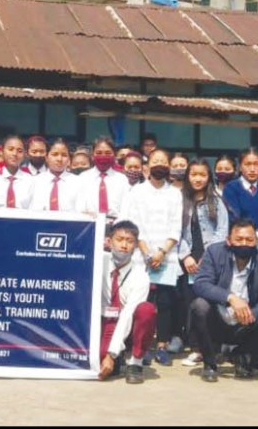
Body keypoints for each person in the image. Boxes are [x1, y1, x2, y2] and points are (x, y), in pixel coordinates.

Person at [189, 219, 258, 382]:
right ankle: (210, 364)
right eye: (239, 239)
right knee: (199, 305)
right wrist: (230, 298)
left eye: (249, 239)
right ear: (229, 240)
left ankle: (243, 357)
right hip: (218, 320)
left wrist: (252, 314)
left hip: (247, 326)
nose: (244, 244)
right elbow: (201, 284)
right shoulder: (214, 252)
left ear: (256, 241)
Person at [119, 148, 182, 367]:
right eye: (155, 161)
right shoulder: (136, 192)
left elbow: (176, 226)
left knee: (165, 302)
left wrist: (162, 252)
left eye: (164, 161)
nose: (160, 165)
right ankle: (141, 346)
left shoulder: (175, 193)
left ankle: (162, 346)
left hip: (167, 256)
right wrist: (147, 252)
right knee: (142, 302)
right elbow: (133, 223)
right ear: (147, 166)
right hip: (140, 255)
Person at [178, 158, 233, 367]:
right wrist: (185, 256)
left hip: (213, 260)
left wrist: (207, 256)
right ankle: (196, 349)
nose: (198, 179)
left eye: (202, 174)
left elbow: (222, 230)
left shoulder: (216, 200)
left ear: (209, 177)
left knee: (211, 305)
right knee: (191, 304)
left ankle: (215, 348)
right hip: (189, 260)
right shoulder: (181, 201)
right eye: (194, 174)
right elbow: (176, 232)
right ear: (187, 177)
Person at [98, 221, 157, 385]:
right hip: (105, 321)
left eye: (129, 241)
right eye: (119, 239)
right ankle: (116, 358)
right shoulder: (98, 262)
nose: (124, 245)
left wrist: (111, 354)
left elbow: (127, 314)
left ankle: (135, 362)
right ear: (109, 241)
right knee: (98, 360)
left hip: (128, 323)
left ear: (136, 246)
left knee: (147, 310)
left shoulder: (141, 275)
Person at [223, 149, 258, 250]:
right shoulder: (231, 188)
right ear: (240, 167)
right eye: (247, 164)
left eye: (256, 164)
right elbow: (234, 216)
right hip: (241, 243)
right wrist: (250, 236)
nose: (252, 169)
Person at [76, 136, 131, 225]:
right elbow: (79, 207)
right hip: (90, 225)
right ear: (92, 155)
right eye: (99, 152)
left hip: (116, 226)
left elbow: (126, 209)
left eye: (108, 153)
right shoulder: (83, 178)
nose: (103, 156)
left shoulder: (122, 180)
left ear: (114, 155)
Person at [0, 135, 34, 209]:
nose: (14, 154)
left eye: (20, 151)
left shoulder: (30, 180)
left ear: (24, 155)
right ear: (2, 152)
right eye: (10, 149)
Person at [30, 139, 80, 212]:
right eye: (55, 154)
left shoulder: (78, 182)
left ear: (69, 159)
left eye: (64, 155)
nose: (59, 159)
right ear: (46, 157)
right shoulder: (34, 182)